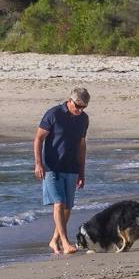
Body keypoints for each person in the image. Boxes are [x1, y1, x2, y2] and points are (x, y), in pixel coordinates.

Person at [34, 86, 91, 256]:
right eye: (78, 106)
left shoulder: (83, 119)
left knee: (67, 207)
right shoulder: (53, 114)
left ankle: (54, 240)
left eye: (84, 107)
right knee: (58, 203)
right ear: (69, 101)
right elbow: (38, 139)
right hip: (52, 167)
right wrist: (38, 164)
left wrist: (82, 172)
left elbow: (82, 146)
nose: (80, 110)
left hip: (72, 167)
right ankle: (65, 243)